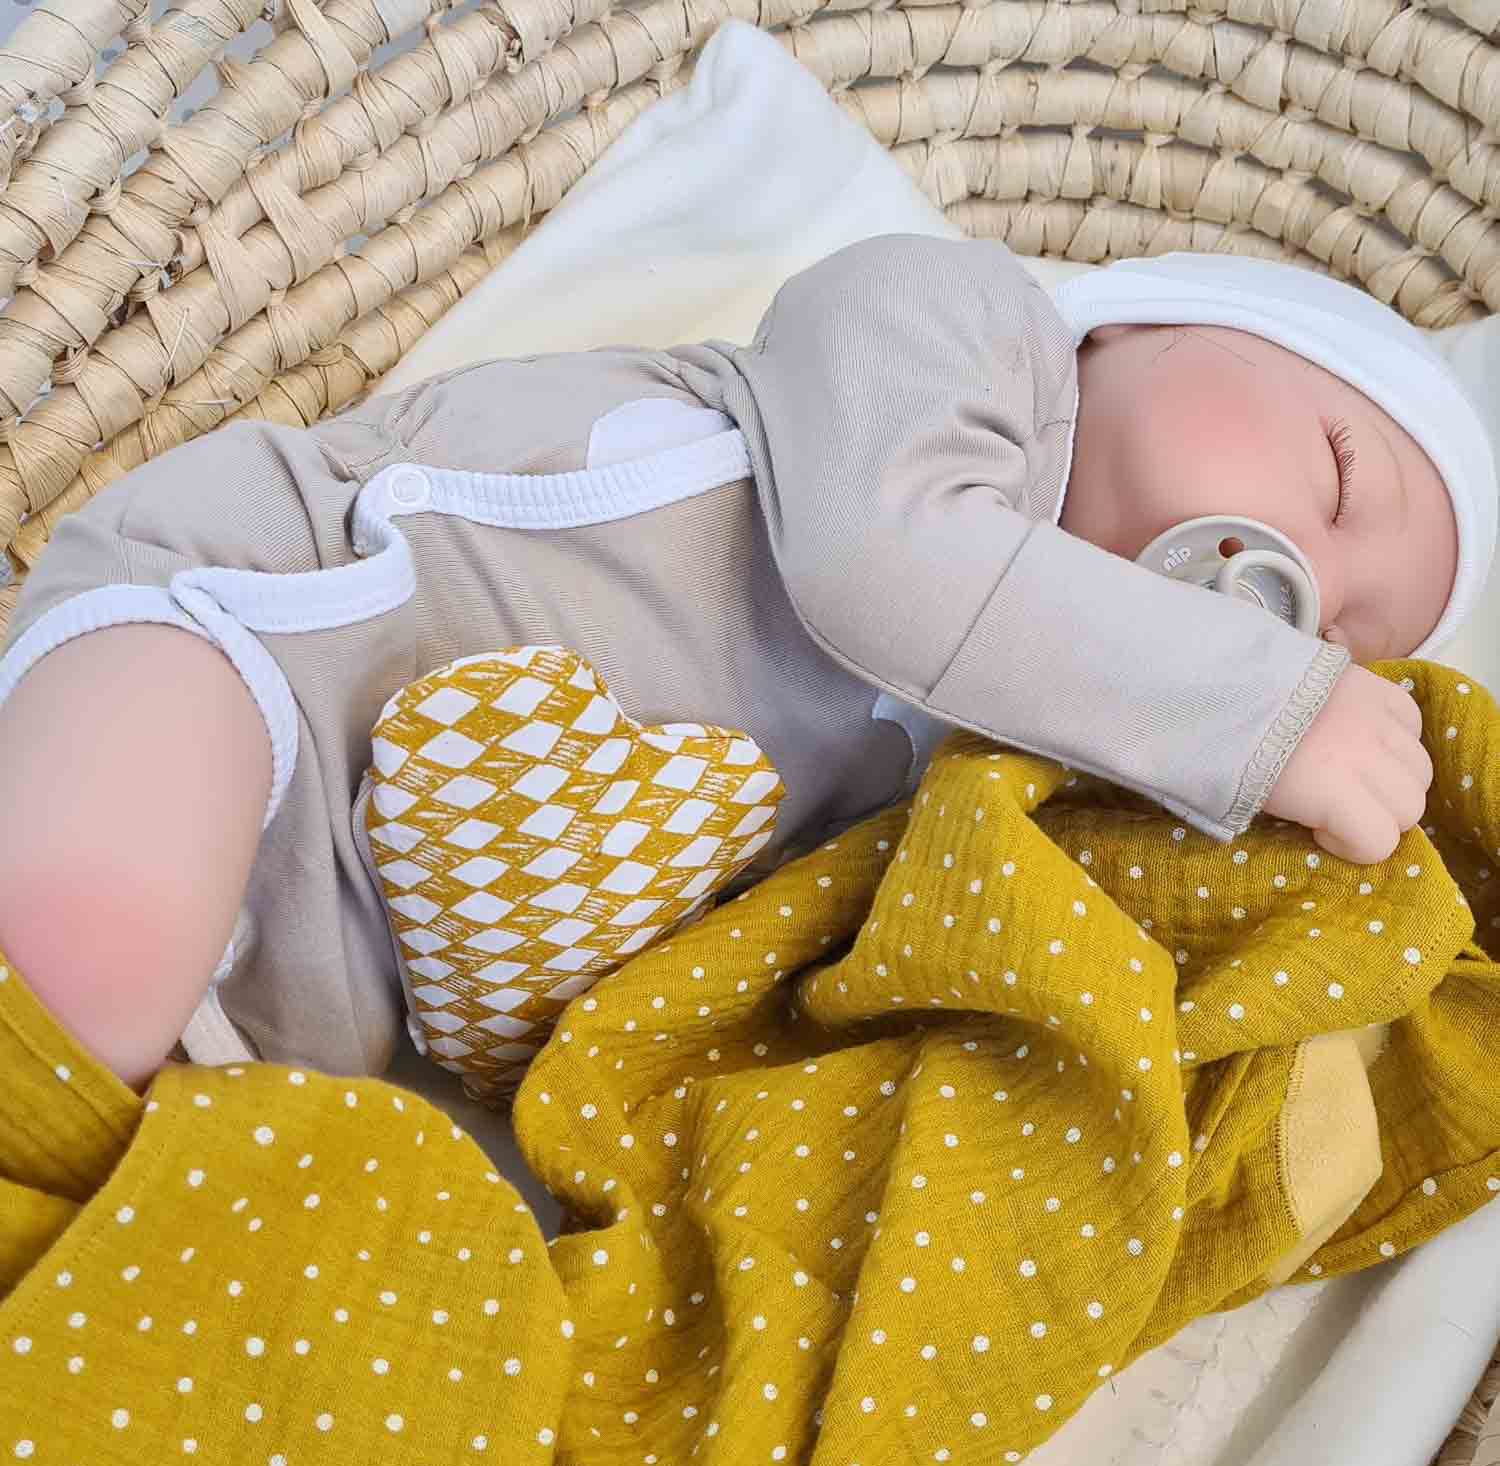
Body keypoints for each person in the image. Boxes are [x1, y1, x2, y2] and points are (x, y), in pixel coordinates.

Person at [0, 234, 1492, 1090]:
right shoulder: (968, 334)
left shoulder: (1033, 755)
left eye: (1348, 629)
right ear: (1160, 318)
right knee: (90, 955)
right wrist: (1271, 711)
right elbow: (885, 561)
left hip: (327, 1014)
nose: (1296, 580)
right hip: (262, 640)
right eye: (1339, 474)